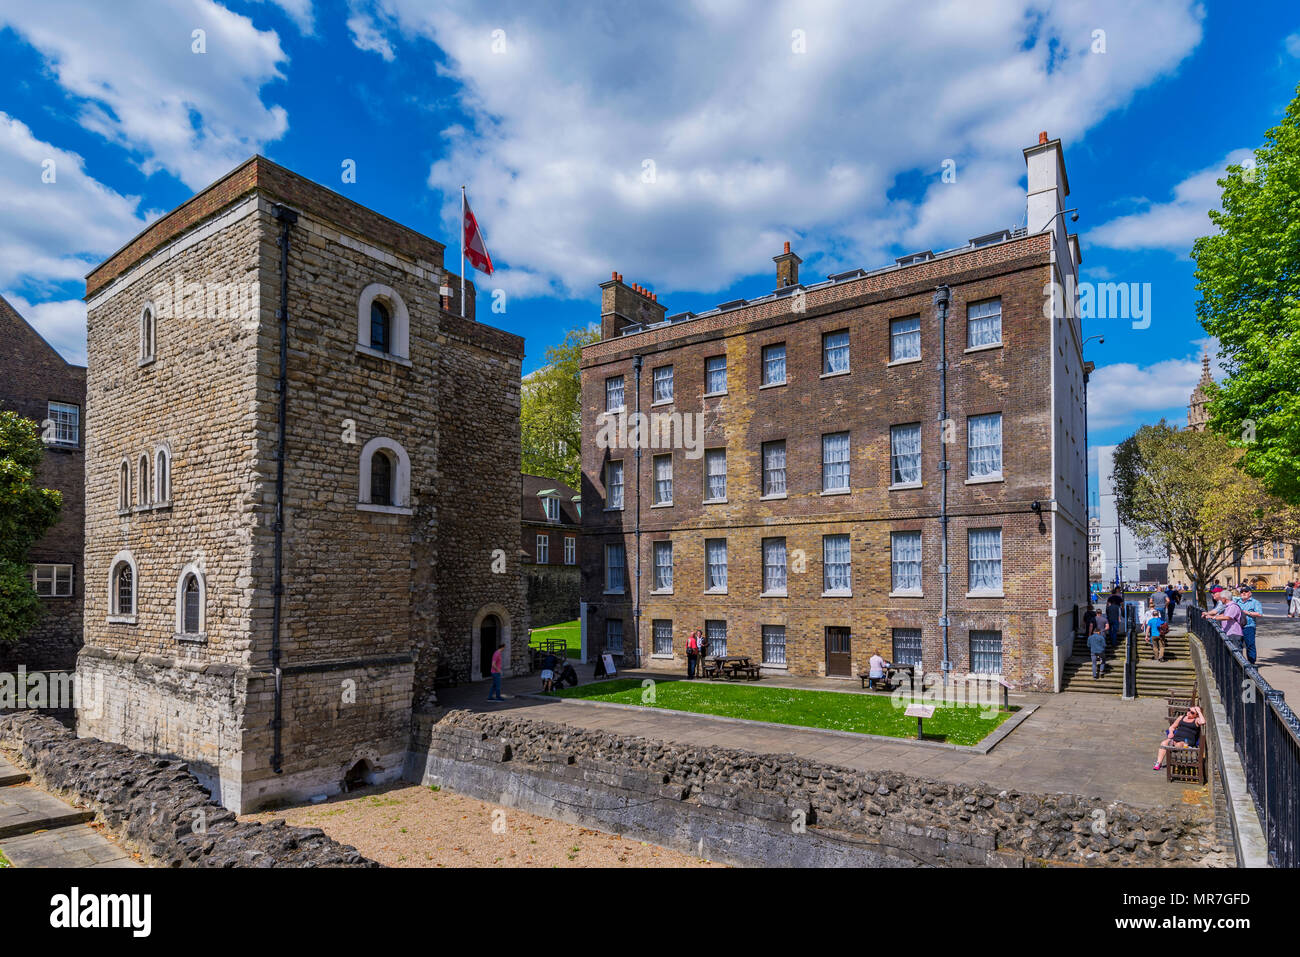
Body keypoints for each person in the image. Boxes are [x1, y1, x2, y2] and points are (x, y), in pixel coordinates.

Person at [1155, 706, 1205, 771]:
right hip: (1176, 738)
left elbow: (1203, 722)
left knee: (1178, 745)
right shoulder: (1181, 717)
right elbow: (1172, 727)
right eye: (1189, 710)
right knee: (1163, 743)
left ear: (1196, 715)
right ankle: (1158, 763)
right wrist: (1171, 733)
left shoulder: (1196, 720)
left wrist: (1199, 712)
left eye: (1192, 712)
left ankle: (1171, 749)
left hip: (1186, 742)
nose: (1189, 712)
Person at [1236, 585, 1263, 665]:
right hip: (1238, 627)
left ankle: (1252, 663)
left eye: (1246, 592)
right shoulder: (1237, 602)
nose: (1243, 593)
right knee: (1238, 645)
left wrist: (1247, 612)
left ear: (1250, 593)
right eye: (1242, 592)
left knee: (1250, 645)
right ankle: (1240, 663)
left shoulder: (1255, 602)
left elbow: (1259, 614)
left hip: (1249, 626)